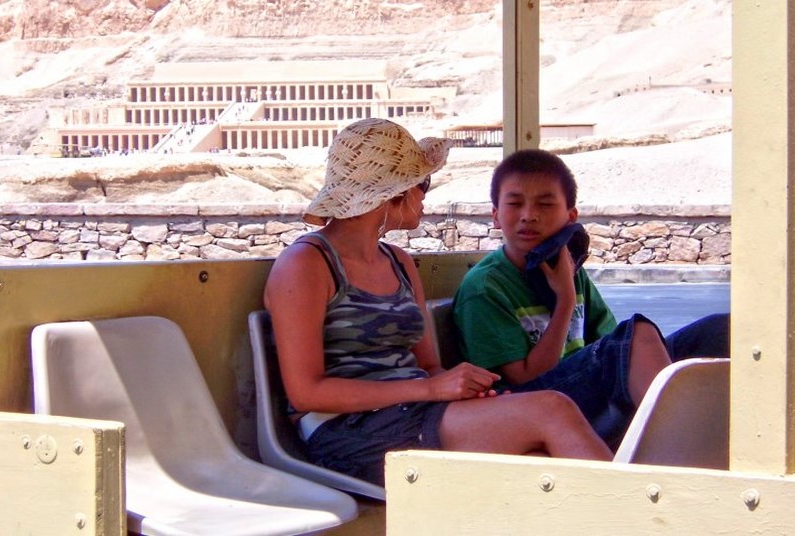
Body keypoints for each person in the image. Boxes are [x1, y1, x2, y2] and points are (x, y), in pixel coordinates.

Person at [264, 119, 612, 487]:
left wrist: (466, 391)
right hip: (347, 433)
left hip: (415, 412)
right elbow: (306, 392)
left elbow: (428, 366)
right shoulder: (306, 264)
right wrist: (430, 390)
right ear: (392, 193)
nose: (424, 196)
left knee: (540, 464)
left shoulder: (399, 262)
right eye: (422, 183)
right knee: (551, 409)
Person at [453, 148, 729, 444]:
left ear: (570, 217)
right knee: (637, 335)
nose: (529, 216)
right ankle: (682, 446)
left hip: (583, 387)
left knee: (719, 330)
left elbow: (606, 338)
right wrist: (565, 301)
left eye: (545, 204)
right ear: (496, 216)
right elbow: (525, 377)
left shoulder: (568, 268)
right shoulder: (485, 287)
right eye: (515, 203)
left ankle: (718, 433)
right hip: (531, 402)